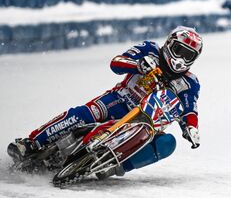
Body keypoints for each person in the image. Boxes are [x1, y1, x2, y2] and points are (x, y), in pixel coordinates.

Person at [7, 26, 203, 177]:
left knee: (167, 143)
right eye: (179, 50)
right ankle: (32, 142)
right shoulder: (149, 49)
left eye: (188, 55)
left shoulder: (189, 82)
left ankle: (115, 167)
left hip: (145, 123)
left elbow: (189, 110)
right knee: (82, 114)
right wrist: (138, 65)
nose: (181, 59)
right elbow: (116, 62)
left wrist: (191, 128)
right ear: (169, 43)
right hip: (118, 100)